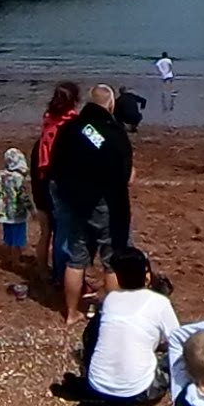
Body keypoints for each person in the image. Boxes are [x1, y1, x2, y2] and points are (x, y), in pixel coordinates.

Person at [48, 86, 131, 324]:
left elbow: (57, 166)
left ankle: (71, 312)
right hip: (104, 201)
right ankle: (114, 315)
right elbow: (122, 171)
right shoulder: (112, 131)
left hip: (75, 200)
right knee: (110, 258)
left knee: (77, 257)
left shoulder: (70, 128)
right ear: (110, 104)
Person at [75, 248, 181, 406]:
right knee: (178, 353)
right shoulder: (160, 303)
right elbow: (177, 341)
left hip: (97, 386)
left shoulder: (110, 300)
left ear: (117, 277)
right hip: (140, 392)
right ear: (146, 275)